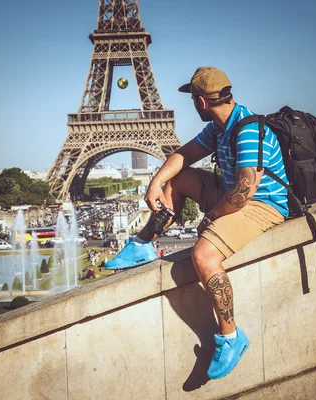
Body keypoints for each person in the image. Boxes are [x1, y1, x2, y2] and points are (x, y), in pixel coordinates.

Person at [105, 67, 288, 380]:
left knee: (203, 255)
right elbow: (184, 154)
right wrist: (156, 182)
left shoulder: (247, 130)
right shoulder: (220, 127)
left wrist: (211, 217)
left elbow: (243, 196)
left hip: (264, 204)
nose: (192, 104)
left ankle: (231, 336)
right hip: (233, 193)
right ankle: (143, 244)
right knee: (180, 178)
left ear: (201, 102)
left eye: (192, 99)